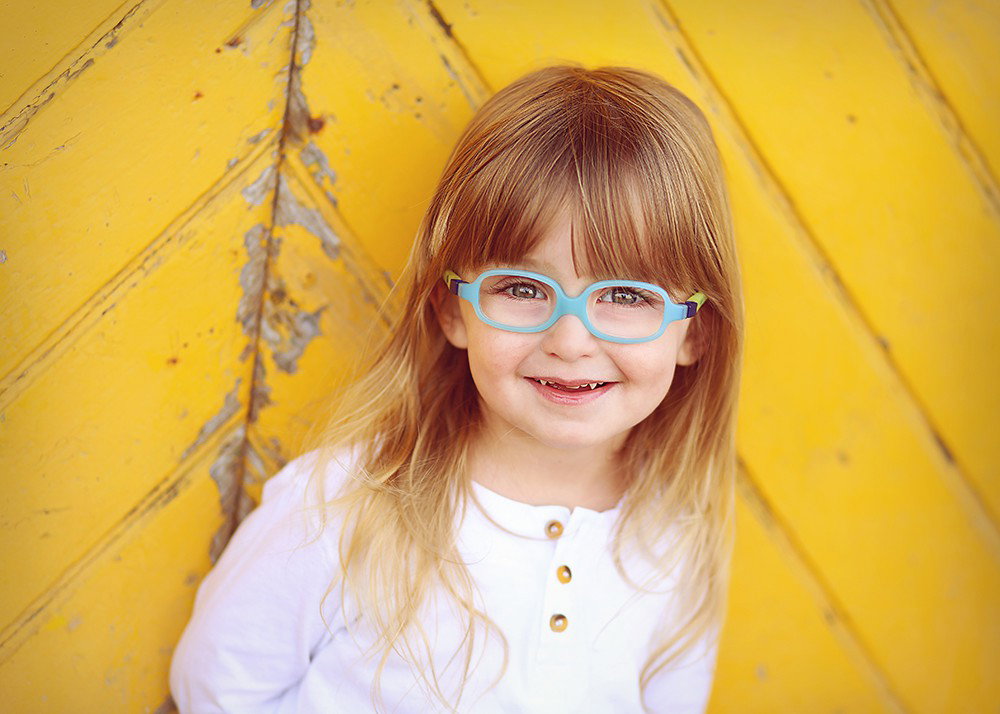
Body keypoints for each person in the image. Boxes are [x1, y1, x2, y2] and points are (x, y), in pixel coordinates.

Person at [170, 64, 744, 713]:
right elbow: (216, 690)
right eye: (523, 288)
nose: (571, 340)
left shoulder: (675, 533)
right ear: (452, 309)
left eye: (626, 296)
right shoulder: (343, 508)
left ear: (696, 331)